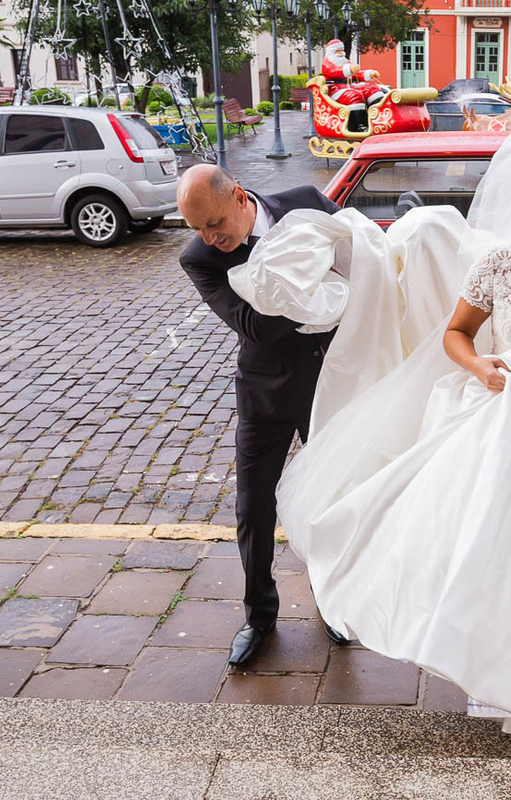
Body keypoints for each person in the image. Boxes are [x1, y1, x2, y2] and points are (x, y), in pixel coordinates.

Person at [237, 126, 511, 737]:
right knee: (495, 555)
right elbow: (456, 334)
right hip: (507, 426)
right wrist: (477, 365)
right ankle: (502, 674)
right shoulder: (498, 266)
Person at [175, 165, 350, 666]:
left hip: (331, 386)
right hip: (265, 392)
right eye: (197, 229)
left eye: (214, 223)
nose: (210, 238)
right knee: (253, 509)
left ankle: (333, 602)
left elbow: (359, 254)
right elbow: (253, 325)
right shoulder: (199, 258)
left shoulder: (306, 201)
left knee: (328, 502)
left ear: (238, 196)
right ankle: (258, 617)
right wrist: (319, 283)